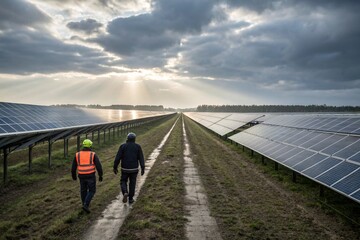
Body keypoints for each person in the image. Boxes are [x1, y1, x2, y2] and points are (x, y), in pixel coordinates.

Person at [72, 139, 103, 213]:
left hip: (81, 175)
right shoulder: (93, 154)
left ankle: (84, 204)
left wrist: (74, 175)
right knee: (92, 190)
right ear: (90, 146)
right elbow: (98, 166)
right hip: (90, 175)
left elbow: (73, 167)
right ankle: (86, 204)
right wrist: (100, 175)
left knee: (83, 190)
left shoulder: (77, 154)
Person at [113, 132, 145, 204]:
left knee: (123, 181)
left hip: (125, 168)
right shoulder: (138, 147)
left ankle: (125, 192)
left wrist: (115, 167)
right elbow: (141, 158)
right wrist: (143, 168)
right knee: (132, 183)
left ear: (127, 138)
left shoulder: (122, 146)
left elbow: (117, 158)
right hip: (134, 169)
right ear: (134, 139)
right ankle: (130, 199)